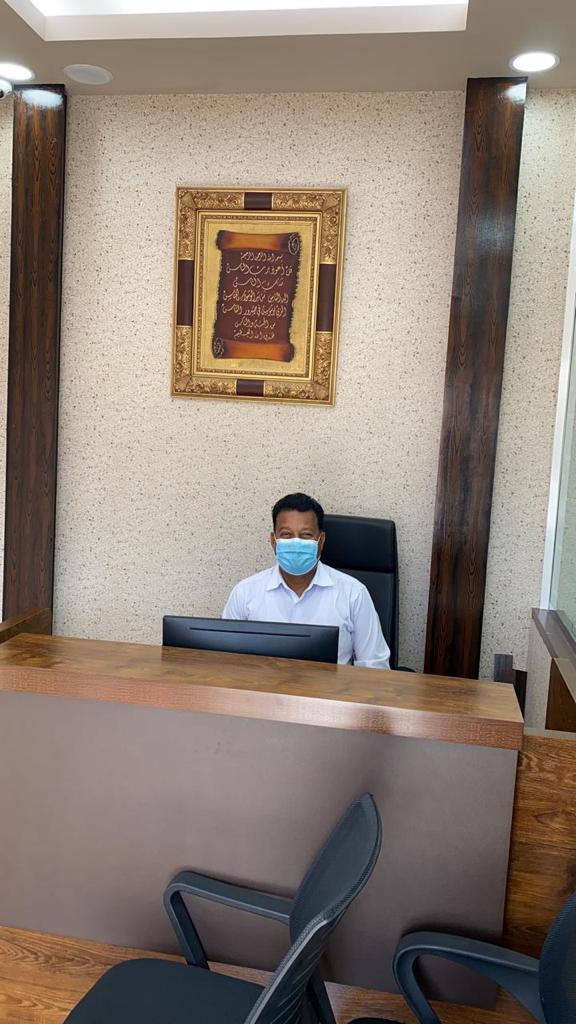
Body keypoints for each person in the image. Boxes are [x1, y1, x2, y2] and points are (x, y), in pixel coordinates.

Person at [223, 492, 390, 669]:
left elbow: (375, 668)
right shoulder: (245, 593)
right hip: (262, 687)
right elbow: (225, 663)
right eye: (286, 535)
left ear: (321, 541)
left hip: (331, 687)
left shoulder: (353, 594)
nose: (296, 543)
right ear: (273, 541)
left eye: (306, 535)